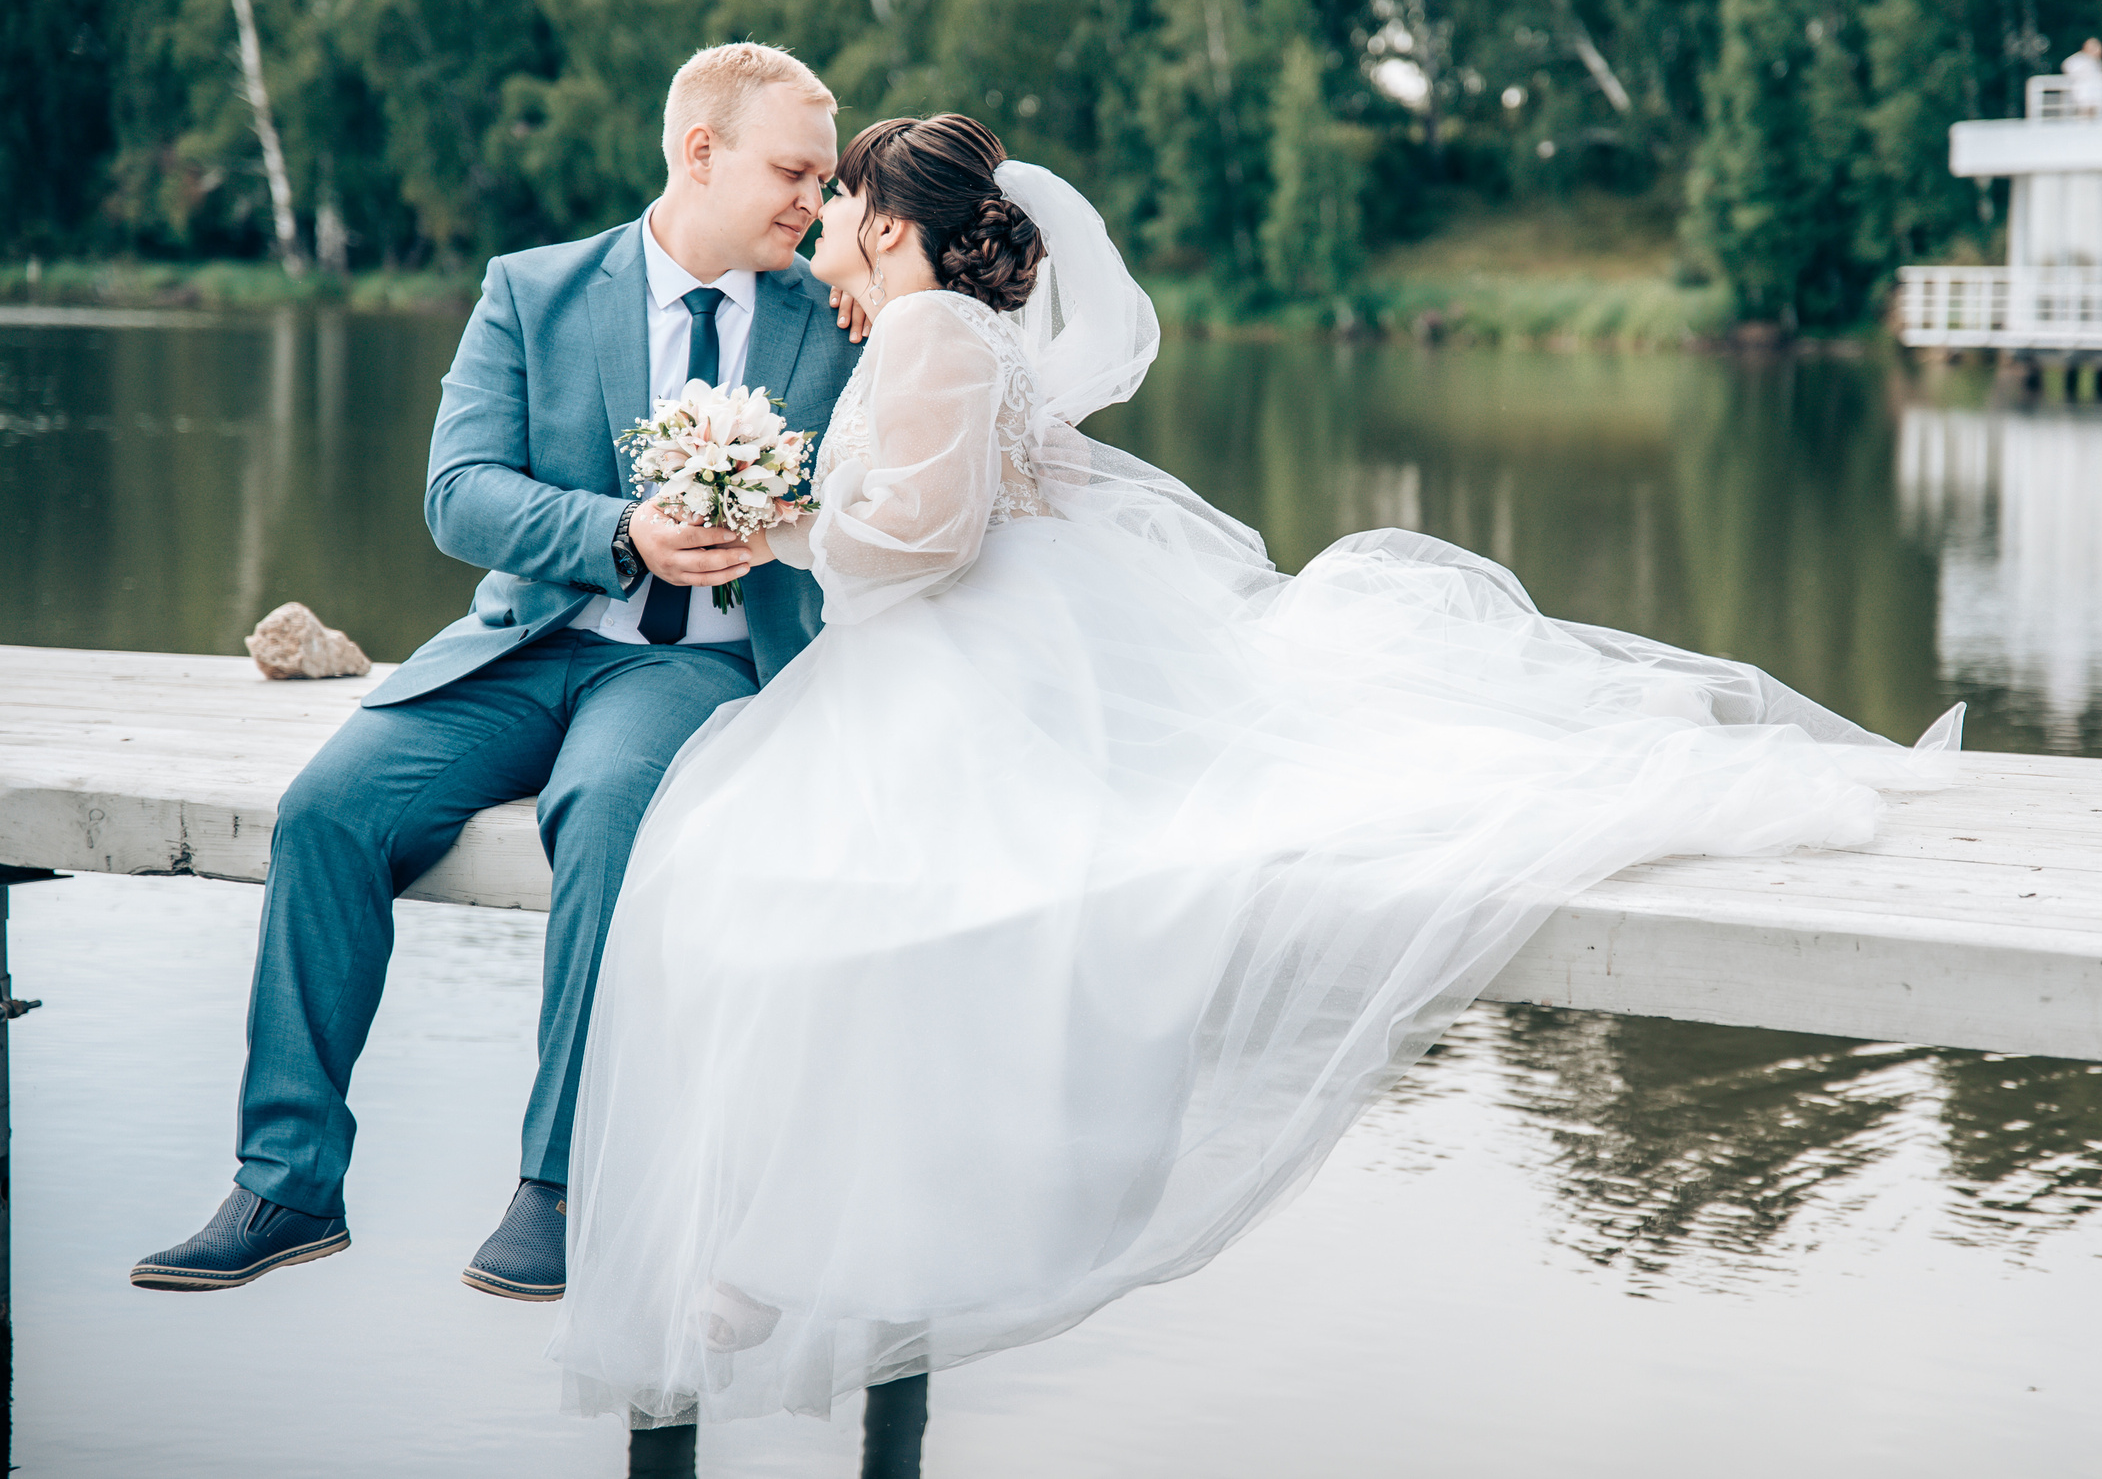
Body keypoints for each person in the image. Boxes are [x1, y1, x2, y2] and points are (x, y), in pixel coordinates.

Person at [548, 114, 1961, 1427]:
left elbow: (925, 546)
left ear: (888, 219)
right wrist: (800, 513)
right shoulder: (949, 330)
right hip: (1004, 644)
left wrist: (790, 526)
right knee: (797, 876)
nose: (827, 222)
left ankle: (773, 1233)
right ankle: (794, 1231)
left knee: (763, 873)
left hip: (960, 654)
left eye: (841, 195)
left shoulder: (926, 334)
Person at [130, 44, 861, 1303]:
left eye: (824, 177)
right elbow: (457, 494)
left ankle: (559, 1183)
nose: (813, 199)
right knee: (328, 810)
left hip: (691, 670)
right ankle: (286, 1182)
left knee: (606, 813)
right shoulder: (532, 289)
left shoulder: (830, 319)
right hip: (523, 645)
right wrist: (619, 532)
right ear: (701, 152)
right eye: (794, 171)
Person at [2062, 37, 2102, 117]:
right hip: (2084, 94)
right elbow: (2068, 67)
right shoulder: (2079, 59)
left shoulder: (2097, 62)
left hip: (2096, 95)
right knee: (2084, 115)